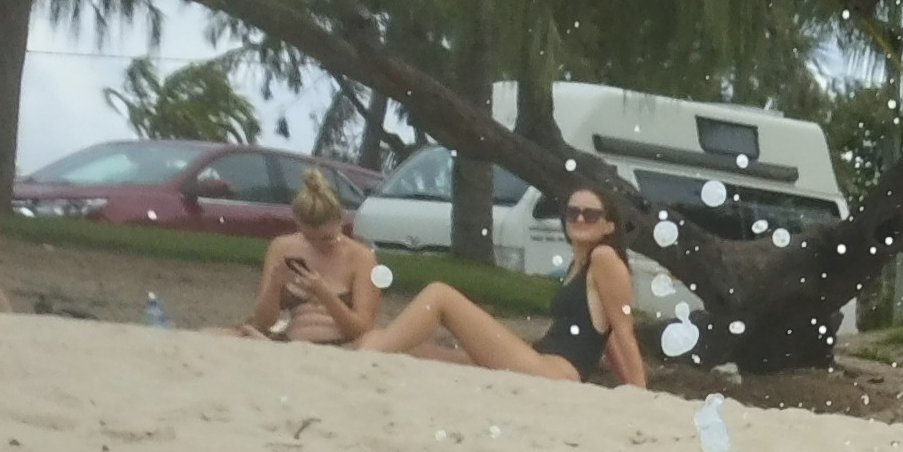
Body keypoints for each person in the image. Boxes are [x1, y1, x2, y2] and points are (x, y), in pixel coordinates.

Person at [360, 182, 641, 385]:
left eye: (590, 214)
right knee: (423, 351)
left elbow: (623, 329)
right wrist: (627, 384)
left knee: (441, 295)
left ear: (609, 226)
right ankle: (371, 347)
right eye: (573, 212)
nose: (579, 217)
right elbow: (608, 338)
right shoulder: (580, 263)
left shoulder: (604, 258)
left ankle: (366, 355)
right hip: (540, 360)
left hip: (554, 371)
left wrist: (639, 393)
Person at [237, 170, 387, 344]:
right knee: (226, 332)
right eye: (309, 238)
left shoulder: (361, 257)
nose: (318, 245)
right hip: (291, 341)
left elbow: (362, 329)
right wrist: (274, 286)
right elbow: (262, 323)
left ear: (340, 221)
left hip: (344, 344)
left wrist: (324, 294)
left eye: (327, 239)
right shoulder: (282, 247)